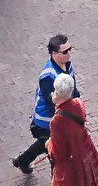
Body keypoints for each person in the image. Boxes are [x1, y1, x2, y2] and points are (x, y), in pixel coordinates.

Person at [15, 35, 76, 177]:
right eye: (65, 51)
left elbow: (73, 90)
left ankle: (23, 160)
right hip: (46, 123)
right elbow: (52, 104)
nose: (69, 54)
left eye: (70, 49)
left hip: (58, 120)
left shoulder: (68, 65)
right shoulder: (48, 76)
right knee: (57, 157)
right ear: (54, 53)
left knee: (45, 145)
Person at [45, 72, 98, 186]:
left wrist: (49, 145)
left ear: (57, 93)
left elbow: (58, 153)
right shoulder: (78, 103)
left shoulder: (56, 121)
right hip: (84, 154)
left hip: (70, 166)